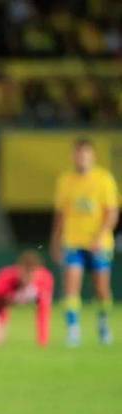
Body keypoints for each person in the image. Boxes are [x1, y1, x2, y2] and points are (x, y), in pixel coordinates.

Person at [51, 138, 119, 346]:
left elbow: (112, 212)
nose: (81, 158)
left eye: (85, 154)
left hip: (100, 244)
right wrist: (55, 240)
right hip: (73, 242)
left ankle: (104, 325)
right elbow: (60, 214)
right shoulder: (65, 180)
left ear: (93, 156)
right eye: (78, 154)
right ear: (73, 156)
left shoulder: (104, 179)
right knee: (71, 286)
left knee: (102, 289)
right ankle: (73, 330)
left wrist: (100, 236)